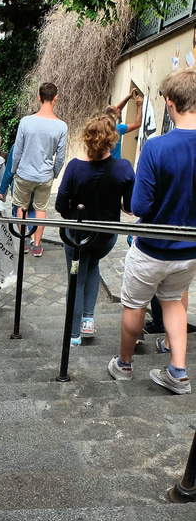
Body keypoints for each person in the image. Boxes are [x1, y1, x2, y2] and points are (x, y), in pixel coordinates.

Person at [108, 69, 196, 394]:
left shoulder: (155, 148)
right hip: (189, 252)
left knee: (135, 305)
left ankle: (124, 365)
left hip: (151, 249)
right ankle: (178, 371)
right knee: (174, 302)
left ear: (170, 102)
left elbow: (139, 206)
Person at [56, 114, 135, 345]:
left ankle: (73, 335)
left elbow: (60, 205)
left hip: (76, 235)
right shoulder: (124, 168)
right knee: (93, 264)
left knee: (76, 280)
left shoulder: (74, 168)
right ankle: (87, 320)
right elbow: (130, 206)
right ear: (113, 139)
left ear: (86, 138)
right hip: (105, 237)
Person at [11, 82, 68, 257]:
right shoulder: (61, 126)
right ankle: (37, 245)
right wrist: (55, 173)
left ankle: (24, 242)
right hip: (45, 175)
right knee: (40, 208)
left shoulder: (26, 122)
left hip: (24, 173)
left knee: (22, 206)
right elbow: (60, 157)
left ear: (39, 97)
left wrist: (14, 170)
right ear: (56, 98)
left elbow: (17, 150)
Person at [106, 88, 143, 159]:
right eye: (117, 110)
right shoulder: (117, 129)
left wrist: (129, 97)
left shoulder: (103, 125)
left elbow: (118, 109)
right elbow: (137, 124)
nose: (119, 109)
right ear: (114, 115)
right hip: (115, 164)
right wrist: (139, 106)